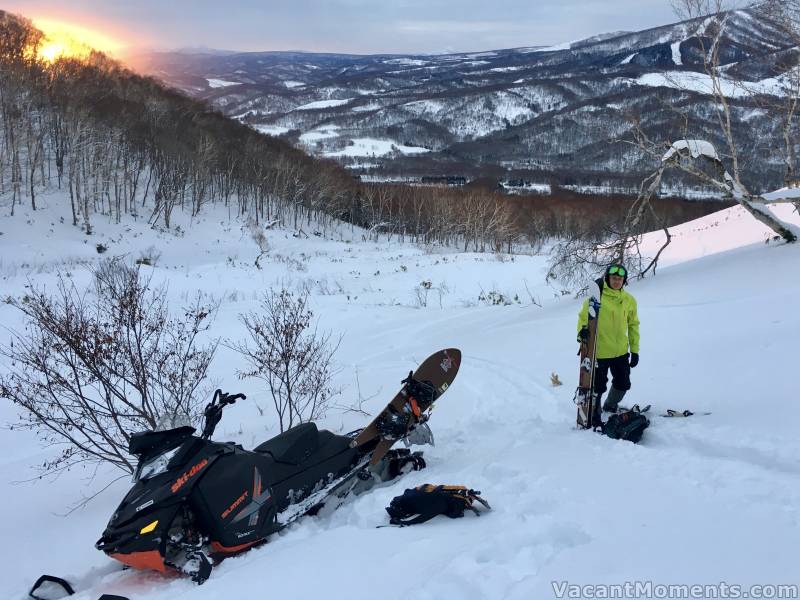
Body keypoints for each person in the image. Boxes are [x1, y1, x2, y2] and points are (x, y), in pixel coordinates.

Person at [576, 264, 640, 425]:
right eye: (614, 278)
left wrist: (635, 350)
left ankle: (610, 405)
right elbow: (583, 319)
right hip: (600, 352)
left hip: (621, 352)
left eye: (620, 279)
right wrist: (582, 333)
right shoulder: (595, 298)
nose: (617, 281)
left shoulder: (629, 300)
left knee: (623, 383)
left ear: (624, 281)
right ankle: (594, 412)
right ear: (608, 278)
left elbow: (633, 325)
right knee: (597, 387)